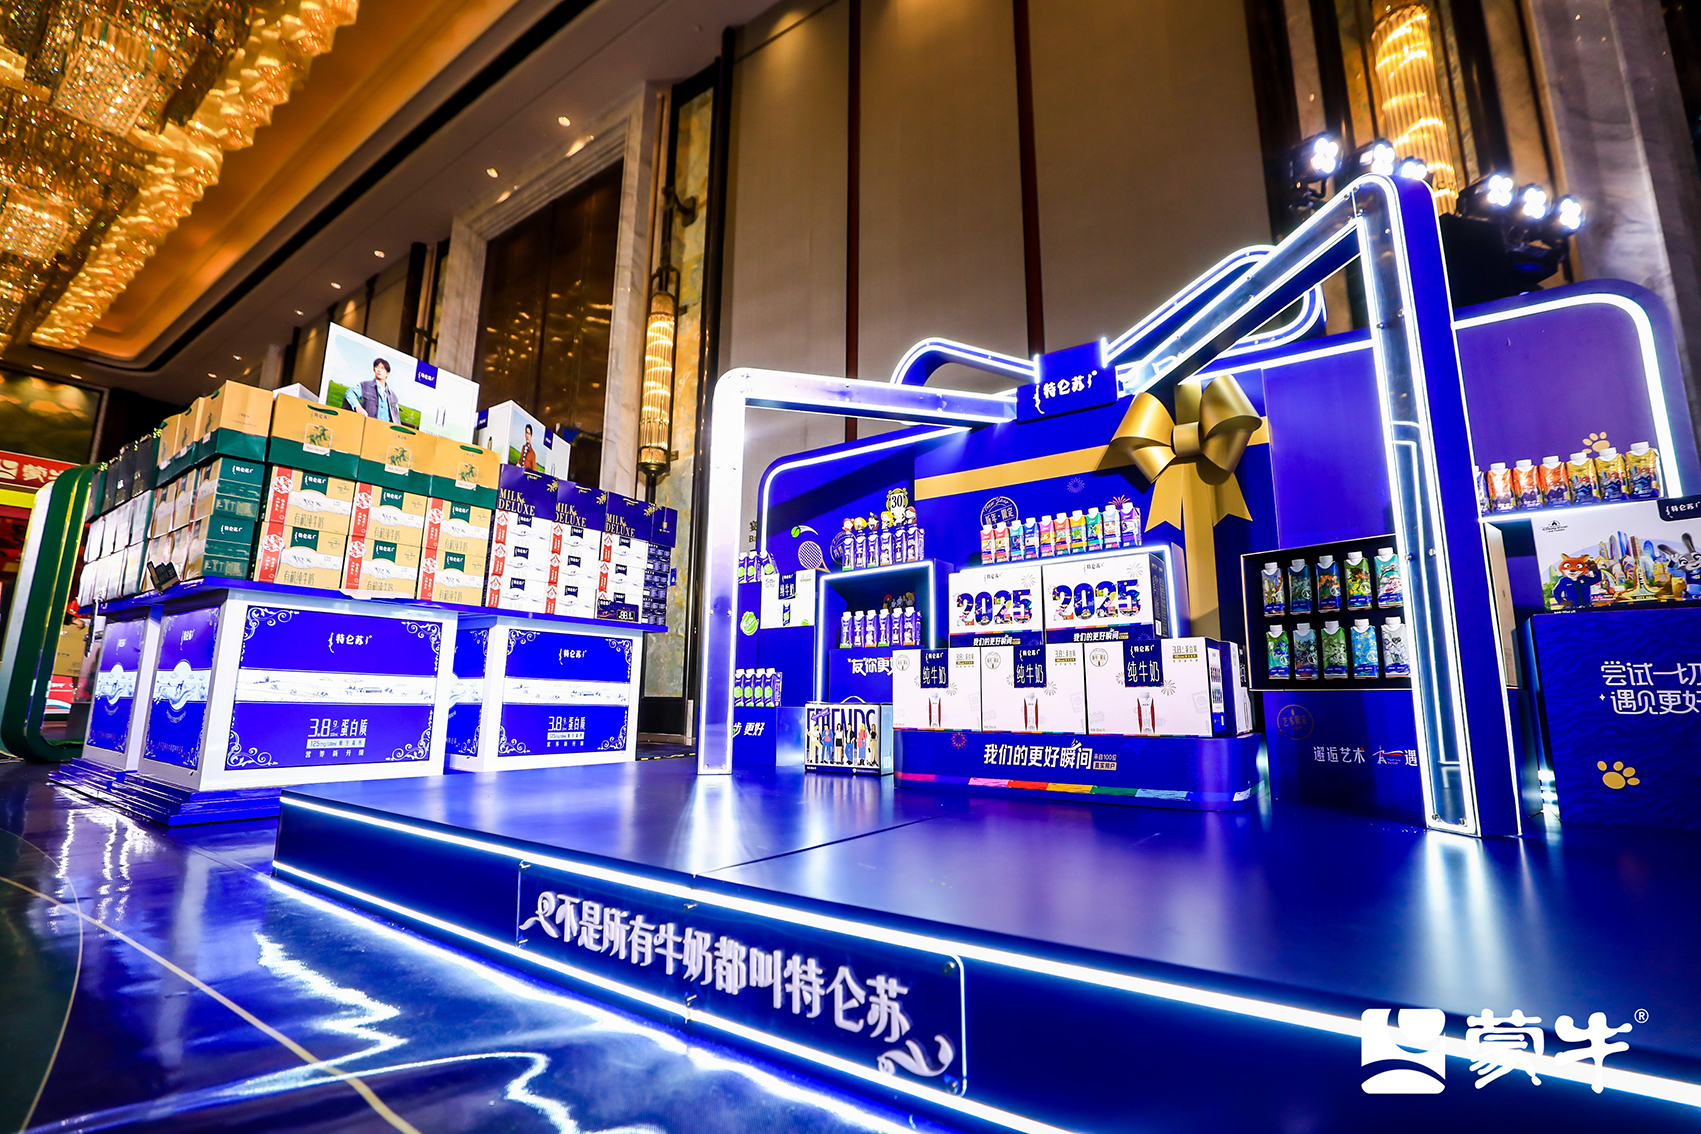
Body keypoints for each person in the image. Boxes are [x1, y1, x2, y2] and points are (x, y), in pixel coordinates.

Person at [346, 358, 402, 422]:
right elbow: (350, 393)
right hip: (369, 424)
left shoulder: (393, 396)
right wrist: (357, 406)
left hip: (386, 427)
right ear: (374, 370)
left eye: (382, 368)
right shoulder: (365, 385)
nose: (379, 370)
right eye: (377, 367)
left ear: (387, 374)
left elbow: (396, 416)